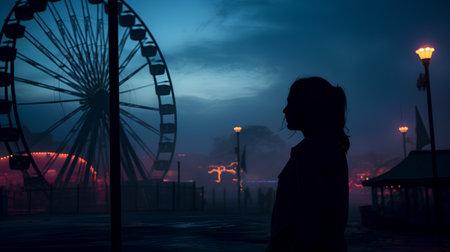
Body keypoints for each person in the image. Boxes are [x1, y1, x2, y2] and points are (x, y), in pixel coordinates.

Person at [267, 77, 349, 251]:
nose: (285, 110)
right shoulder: (329, 147)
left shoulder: (311, 151)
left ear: (308, 107)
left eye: (291, 103)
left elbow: (311, 224)